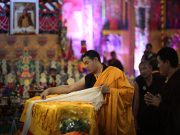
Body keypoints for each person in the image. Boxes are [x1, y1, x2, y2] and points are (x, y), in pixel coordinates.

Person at [41, 50, 135, 135]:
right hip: (97, 121)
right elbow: (69, 88)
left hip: (115, 121)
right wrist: (49, 90)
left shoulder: (115, 72)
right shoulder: (89, 78)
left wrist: (110, 91)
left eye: (87, 63)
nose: (85, 67)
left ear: (95, 59)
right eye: (84, 64)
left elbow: (129, 93)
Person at [144, 47, 180, 135]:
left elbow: (176, 113)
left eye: (159, 62)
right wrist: (156, 100)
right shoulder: (169, 78)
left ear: (167, 63)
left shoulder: (177, 82)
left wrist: (159, 103)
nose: (158, 66)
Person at [133, 60, 165, 135]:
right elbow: (136, 101)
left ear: (150, 68)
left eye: (145, 68)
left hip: (157, 116)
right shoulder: (138, 81)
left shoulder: (159, 79)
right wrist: (134, 119)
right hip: (143, 116)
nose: (143, 71)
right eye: (141, 69)